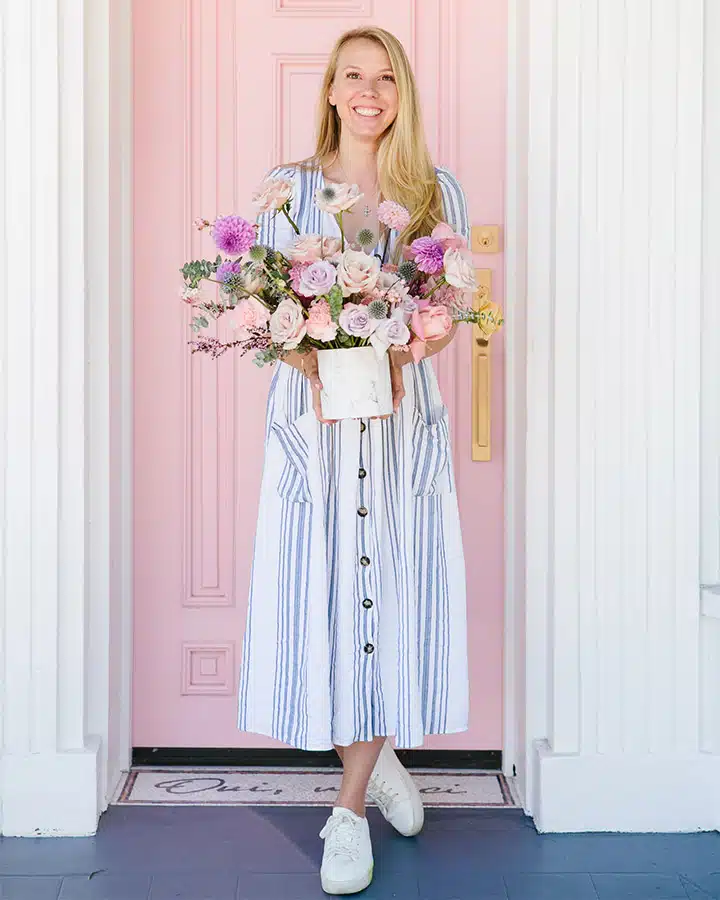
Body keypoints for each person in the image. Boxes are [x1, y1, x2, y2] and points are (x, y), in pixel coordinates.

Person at [237, 25, 470, 896]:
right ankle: (376, 761)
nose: (369, 92)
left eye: (385, 78)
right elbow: (261, 308)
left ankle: (346, 809)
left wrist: (397, 352)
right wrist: (321, 355)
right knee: (325, 591)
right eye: (353, 77)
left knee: (386, 586)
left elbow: (446, 307)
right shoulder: (288, 188)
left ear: (402, 94)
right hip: (315, 424)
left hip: (402, 423)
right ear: (330, 90)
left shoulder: (433, 189)